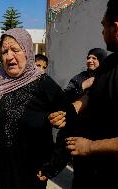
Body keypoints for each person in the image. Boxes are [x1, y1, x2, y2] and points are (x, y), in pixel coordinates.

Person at [0, 28, 76, 189]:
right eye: (4, 51)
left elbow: (71, 121)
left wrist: (54, 165)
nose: (9, 56)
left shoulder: (42, 83)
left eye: (15, 49)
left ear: (27, 51)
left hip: (25, 177)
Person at [48, 0, 118, 188]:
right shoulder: (110, 64)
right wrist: (70, 111)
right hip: (90, 173)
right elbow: (91, 97)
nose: (102, 32)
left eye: (104, 26)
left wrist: (89, 147)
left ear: (116, 28)